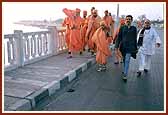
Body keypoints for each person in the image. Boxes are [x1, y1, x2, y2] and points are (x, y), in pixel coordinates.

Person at [115, 15, 138, 81]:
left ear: (131, 20)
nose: (128, 20)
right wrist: (116, 45)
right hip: (123, 47)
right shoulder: (122, 27)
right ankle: (125, 68)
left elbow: (135, 39)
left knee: (127, 60)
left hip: (130, 47)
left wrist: (136, 48)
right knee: (125, 59)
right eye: (127, 19)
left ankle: (125, 74)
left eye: (129, 19)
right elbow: (119, 37)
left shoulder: (134, 28)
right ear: (125, 20)